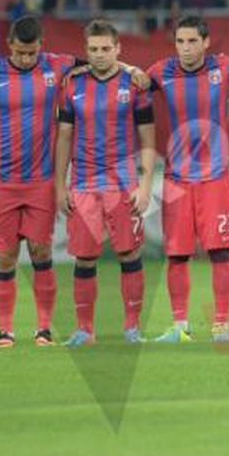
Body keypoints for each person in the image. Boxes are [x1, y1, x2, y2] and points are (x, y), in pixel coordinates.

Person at [0, 16, 78, 348]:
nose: (27, 58)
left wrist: (131, 71)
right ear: (10, 45)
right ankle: (5, 332)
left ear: (41, 46)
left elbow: (98, 62)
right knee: (6, 256)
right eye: (21, 52)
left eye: (32, 52)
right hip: (2, 182)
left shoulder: (56, 67)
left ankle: (44, 330)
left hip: (41, 181)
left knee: (41, 252)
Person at [146, 17, 229, 344]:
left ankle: (221, 326)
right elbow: (127, 84)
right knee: (177, 255)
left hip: (215, 176)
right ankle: (180, 326)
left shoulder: (224, 67)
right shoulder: (161, 72)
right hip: (177, 177)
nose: (186, 48)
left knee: (220, 252)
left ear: (206, 42)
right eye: (180, 42)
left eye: (192, 41)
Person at [55, 20, 156, 348]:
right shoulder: (72, 85)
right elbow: (65, 136)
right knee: (84, 259)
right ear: (86, 52)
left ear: (118, 49)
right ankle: (85, 330)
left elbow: (147, 135)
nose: (99, 55)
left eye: (106, 49)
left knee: (130, 253)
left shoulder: (135, 84)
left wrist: (145, 184)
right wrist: (60, 185)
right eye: (94, 49)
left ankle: (132, 327)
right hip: (83, 184)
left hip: (123, 183)